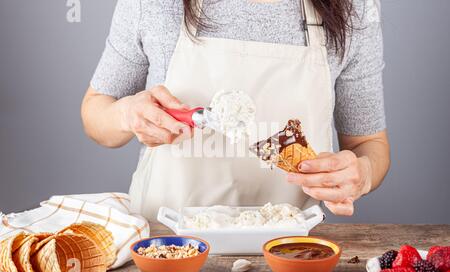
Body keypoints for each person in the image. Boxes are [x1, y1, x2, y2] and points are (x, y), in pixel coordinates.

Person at [81, 0, 390, 221]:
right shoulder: (152, 5)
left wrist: (361, 175)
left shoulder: (355, 9)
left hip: (290, 253)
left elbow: (369, 144)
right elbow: (95, 112)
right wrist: (126, 114)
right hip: (169, 247)